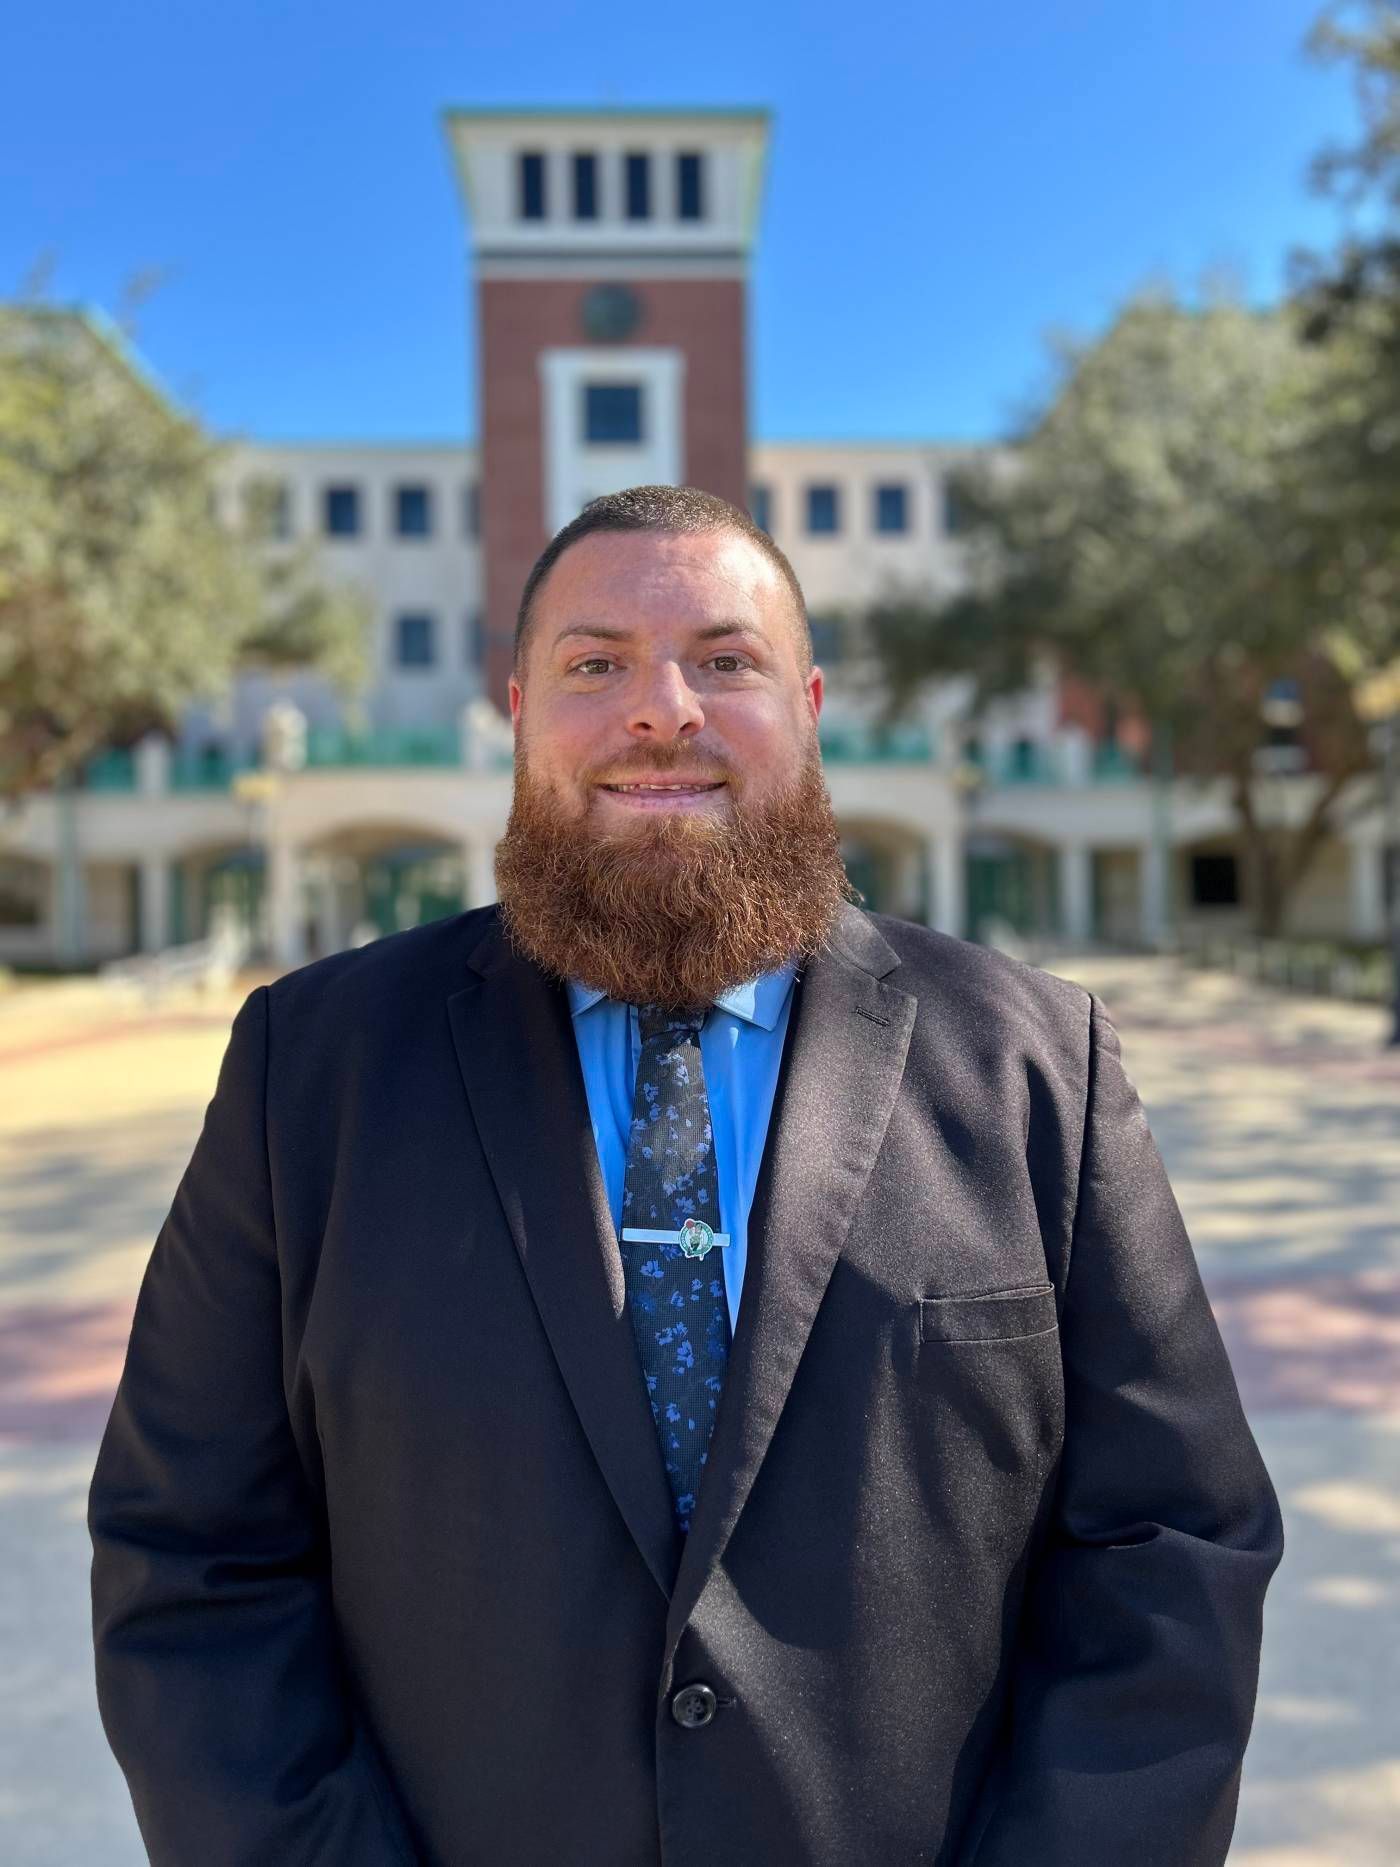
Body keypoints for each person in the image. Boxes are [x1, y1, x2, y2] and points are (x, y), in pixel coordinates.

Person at [89, 485, 1283, 1866]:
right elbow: (194, 1557)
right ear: (518, 709)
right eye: (596, 664)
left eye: (726, 659)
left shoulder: (1036, 1066)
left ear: (812, 705)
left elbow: (1173, 1541)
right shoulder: (313, 1071)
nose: (663, 709)